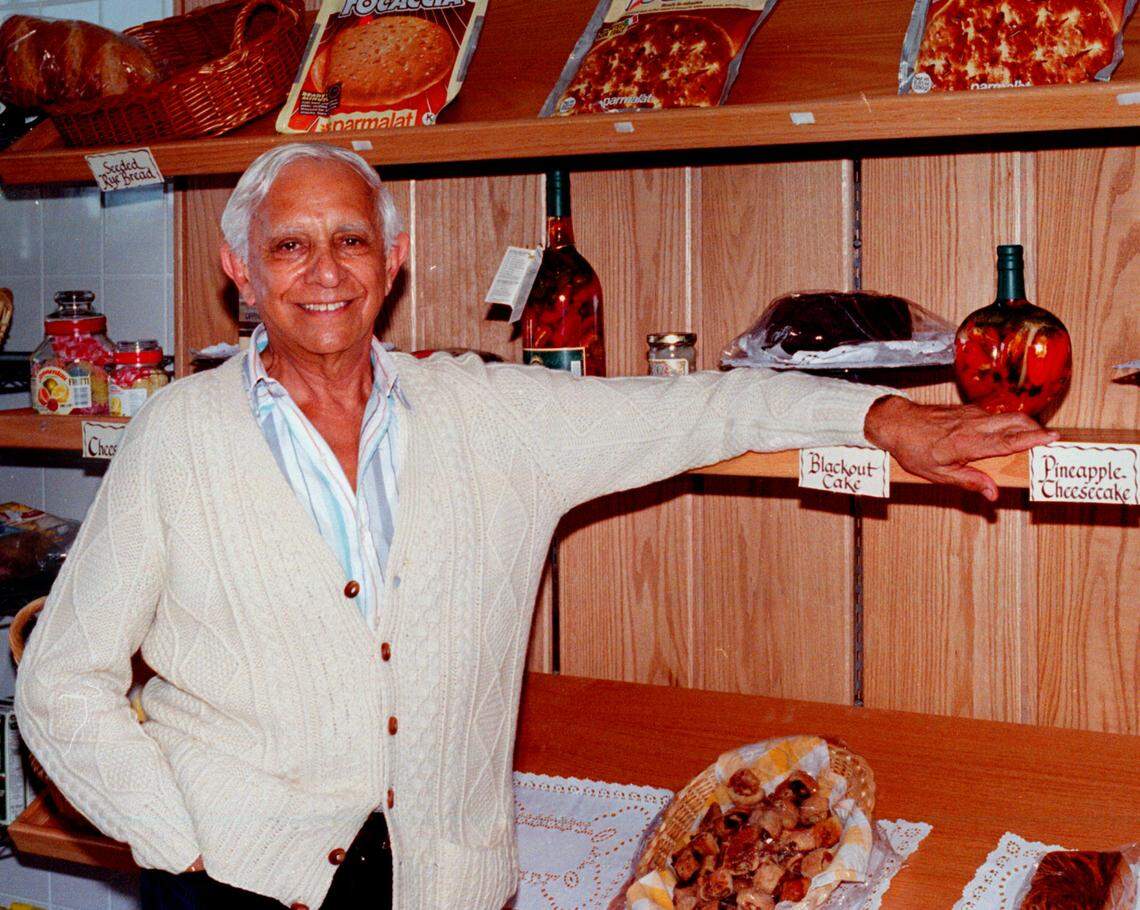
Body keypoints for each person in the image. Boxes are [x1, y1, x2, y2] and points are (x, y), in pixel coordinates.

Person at [14, 144, 1056, 910]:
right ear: (241, 269)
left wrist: (880, 417)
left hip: (446, 884)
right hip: (234, 880)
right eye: (289, 246)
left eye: (350, 240)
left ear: (394, 259)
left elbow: (701, 406)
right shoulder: (179, 435)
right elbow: (62, 678)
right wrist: (176, 838)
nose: (324, 271)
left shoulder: (492, 415)